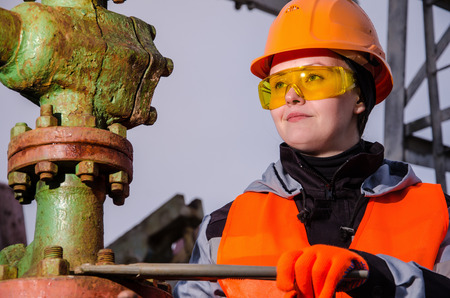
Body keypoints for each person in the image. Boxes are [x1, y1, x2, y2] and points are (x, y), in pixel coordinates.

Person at [174, 0, 450, 297]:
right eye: (278, 85)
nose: (292, 96)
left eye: (314, 78)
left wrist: (378, 277)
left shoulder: (439, 216)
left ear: (359, 95)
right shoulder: (221, 230)